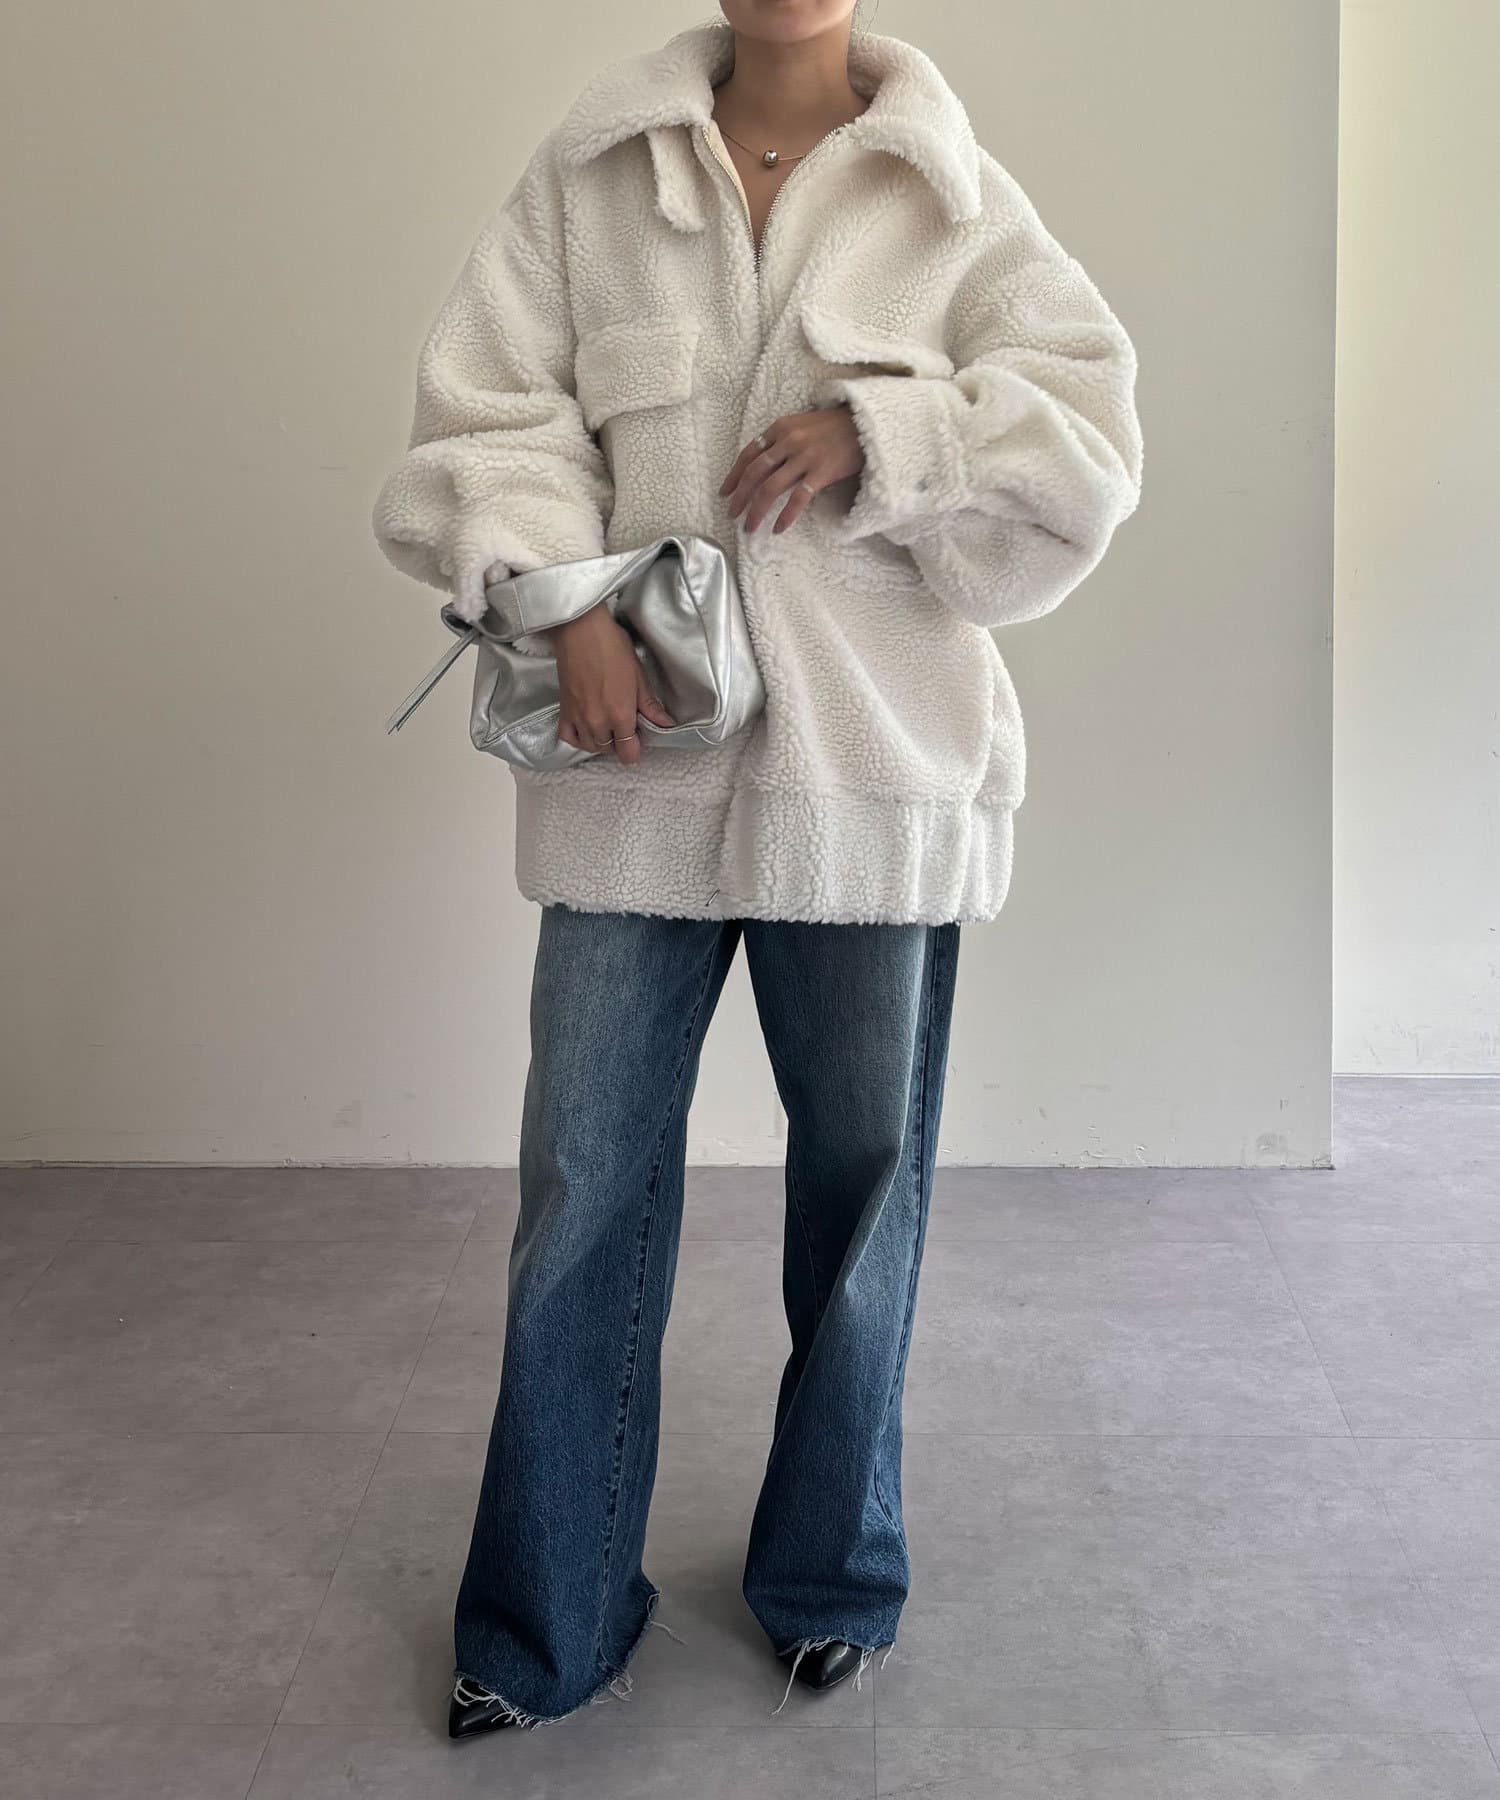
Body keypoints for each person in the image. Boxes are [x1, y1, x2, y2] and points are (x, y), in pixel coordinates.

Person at [371, 0, 1142, 1738]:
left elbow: (1086, 449)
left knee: (865, 1197)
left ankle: (830, 1577)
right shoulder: (595, 175)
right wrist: (558, 605)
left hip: (874, 782)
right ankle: (545, 1619)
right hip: (631, 776)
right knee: (583, 1191)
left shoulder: (950, 196)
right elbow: (485, 418)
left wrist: (894, 432)